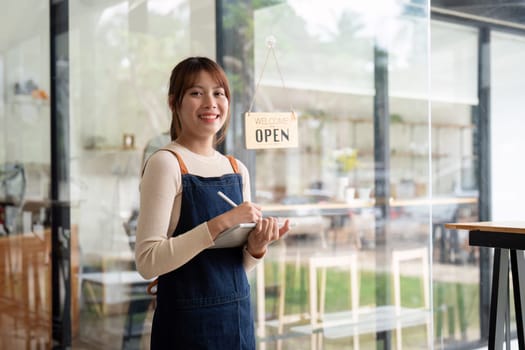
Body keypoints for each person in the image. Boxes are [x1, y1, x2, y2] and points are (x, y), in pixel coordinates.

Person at [135, 56, 290, 349]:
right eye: (196, 93)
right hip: (185, 326)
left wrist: (256, 249)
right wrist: (222, 222)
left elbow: (230, 268)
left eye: (218, 93)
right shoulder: (166, 164)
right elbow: (148, 261)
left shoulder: (236, 169)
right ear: (173, 103)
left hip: (237, 321)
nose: (210, 102)